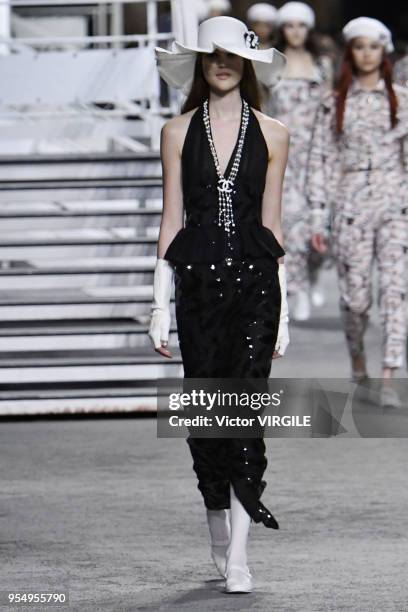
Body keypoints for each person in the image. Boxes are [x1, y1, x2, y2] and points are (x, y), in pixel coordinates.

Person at [152, 16, 289, 593]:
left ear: (249, 64)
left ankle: (239, 555)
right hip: (198, 292)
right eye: (213, 55)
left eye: (233, 55)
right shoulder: (177, 130)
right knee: (207, 420)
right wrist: (159, 303)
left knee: (244, 419)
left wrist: (285, 310)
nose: (223, 63)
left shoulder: (276, 133)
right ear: (200, 64)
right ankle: (217, 524)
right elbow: (171, 219)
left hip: (257, 288)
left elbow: (273, 223)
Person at [307, 17, 408, 407]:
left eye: (374, 46)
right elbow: (321, 160)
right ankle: (359, 364)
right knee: (356, 299)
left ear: (384, 51)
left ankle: (388, 376)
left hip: (396, 204)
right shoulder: (333, 103)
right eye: (360, 46)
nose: (367, 53)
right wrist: (319, 216)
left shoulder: (401, 99)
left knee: (396, 290)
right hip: (350, 205)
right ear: (350, 51)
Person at [268, 1, 334, 321]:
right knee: (292, 222)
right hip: (283, 151)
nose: (295, 32)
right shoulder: (270, 62)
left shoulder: (321, 64)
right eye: (290, 25)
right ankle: (296, 288)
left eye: (301, 25)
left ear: (308, 29)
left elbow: (332, 107)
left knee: (321, 224)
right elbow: (263, 107)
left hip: (318, 151)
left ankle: (313, 276)